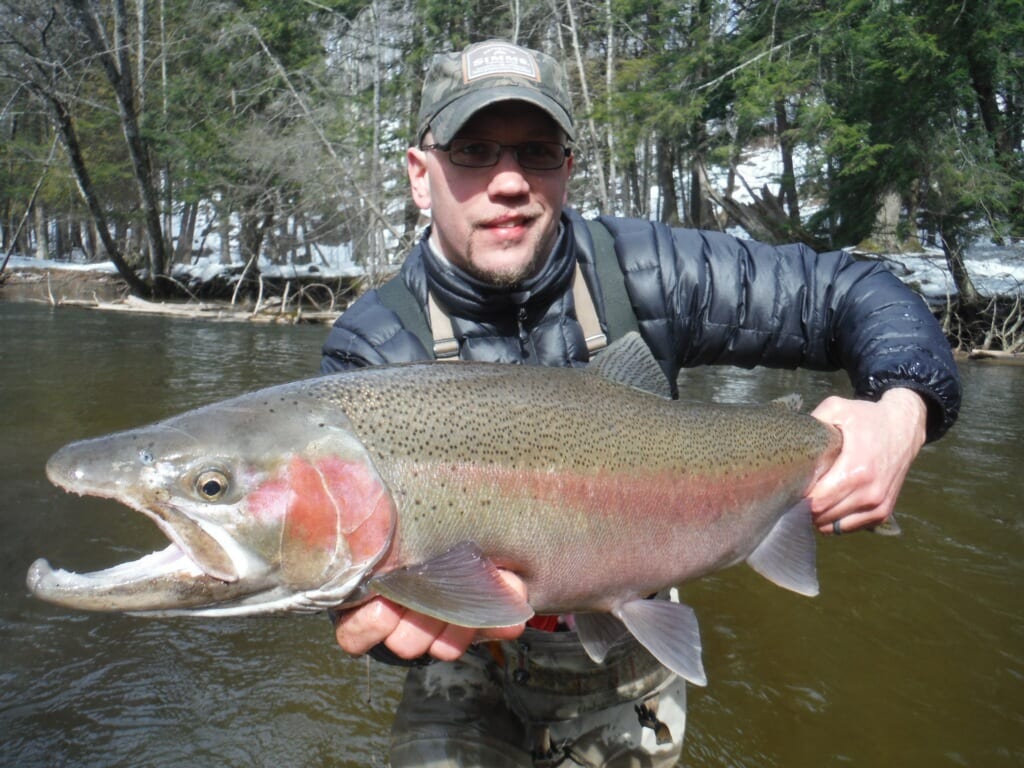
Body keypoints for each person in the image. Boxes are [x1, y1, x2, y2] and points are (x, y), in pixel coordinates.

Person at [320, 39, 961, 767]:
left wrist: (903, 413)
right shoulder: (370, 351)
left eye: (536, 151)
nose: (508, 181)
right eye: (473, 151)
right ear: (418, 172)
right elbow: (365, 604)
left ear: (567, 168)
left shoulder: (648, 271)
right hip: (466, 663)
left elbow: (856, 291)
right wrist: (383, 631)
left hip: (632, 648)